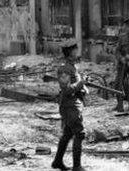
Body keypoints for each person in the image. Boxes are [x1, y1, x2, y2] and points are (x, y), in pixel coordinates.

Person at [52, 41, 88, 171]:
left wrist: (83, 87)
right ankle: (77, 166)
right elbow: (66, 90)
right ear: (70, 51)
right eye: (75, 49)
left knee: (67, 133)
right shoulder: (64, 68)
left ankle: (57, 161)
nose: (77, 50)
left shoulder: (73, 67)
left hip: (74, 104)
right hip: (70, 105)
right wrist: (80, 84)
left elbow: (76, 84)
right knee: (79, 133)